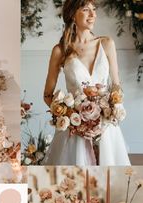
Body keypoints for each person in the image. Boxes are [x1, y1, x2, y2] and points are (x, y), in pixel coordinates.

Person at [43, 0, 130, 166]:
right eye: (86, 9)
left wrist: (108, 115)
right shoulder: (60, 50)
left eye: (94, 9)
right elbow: (47, 95)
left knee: (108, 181)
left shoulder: (106, 44)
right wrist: (74, 120)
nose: (93, 14)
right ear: (72, 15)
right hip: (74, 132)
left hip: (105, 129)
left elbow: (116, 87)